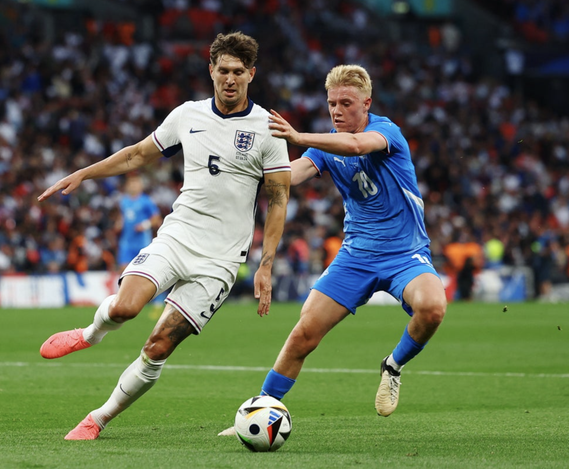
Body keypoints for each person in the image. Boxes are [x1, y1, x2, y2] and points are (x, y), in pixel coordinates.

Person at [37, 31, 291, 440]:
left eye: (238, 72)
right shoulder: (187, 115)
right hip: (176, 237)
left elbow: (278, 199)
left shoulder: (268, 129)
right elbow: (138, 154)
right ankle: (89, 334)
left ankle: (97, 418)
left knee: (158, 346)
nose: (230, 79)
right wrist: (85, 172)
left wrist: (266, 264)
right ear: (211, 71)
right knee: (125, 309)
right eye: (223, 70)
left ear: (251, 75)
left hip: (220, 261)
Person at [219, 64, 446, 435]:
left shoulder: (386, 132)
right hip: (356, 256)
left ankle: (393, 365)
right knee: (304, 333)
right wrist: (244, 170)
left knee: (433, 308)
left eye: (346, 103)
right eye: (331, 104)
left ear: (367, 103)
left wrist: (297, 134)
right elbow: (290, 175)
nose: (337, 111)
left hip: (405, 253)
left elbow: (357, 146)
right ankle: (260, 410)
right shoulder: (326, 148)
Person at [116, 174, 161, 271]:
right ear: (127, 186)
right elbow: (122, 217)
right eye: (131, 183)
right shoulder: (124, 201)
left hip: (142, 243)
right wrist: (119, 224)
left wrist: (145, 225)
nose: (133, 186)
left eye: (135, 183)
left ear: (141, 186)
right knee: (123, 270)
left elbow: (156, 218)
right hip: (126, 242)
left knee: (142, 271)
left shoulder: (146, 201)